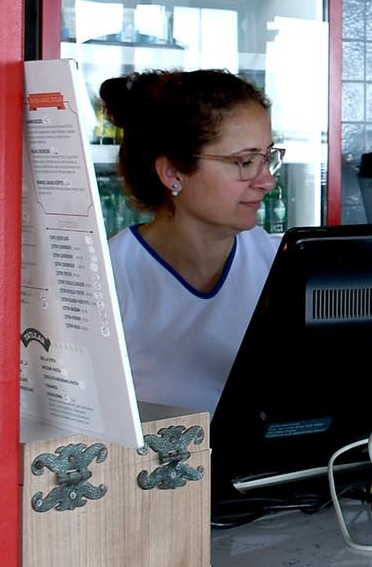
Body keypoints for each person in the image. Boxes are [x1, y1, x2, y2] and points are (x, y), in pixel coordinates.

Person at [100, 70, 282, 415]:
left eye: (268, 158)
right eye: (245, 162)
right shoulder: (108, 279)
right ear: (173, 174)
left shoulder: (281, 264)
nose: (267, 181)